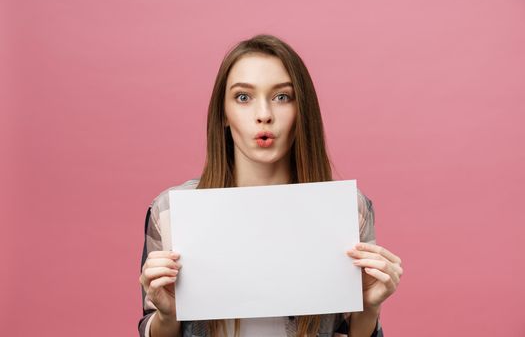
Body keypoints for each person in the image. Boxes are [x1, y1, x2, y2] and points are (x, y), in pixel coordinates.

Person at [138, 34, 403, 337]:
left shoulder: (349, 210)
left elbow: (352, 330)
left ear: (301, 109)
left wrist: (369, 309)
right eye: (243, 97)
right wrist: (167, 315)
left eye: (282, 97)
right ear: (223, 113)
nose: (264, 115)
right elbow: (153, 326)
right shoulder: (171, 212)